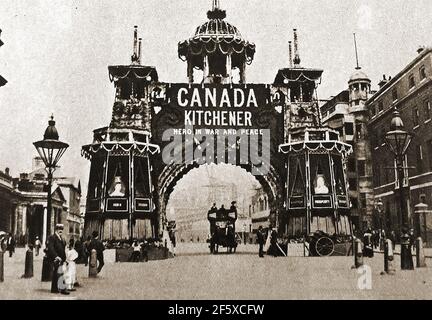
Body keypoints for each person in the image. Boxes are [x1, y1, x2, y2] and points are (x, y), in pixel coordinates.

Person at [47, 224, 69, 295]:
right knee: (60, 273)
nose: (60, 230)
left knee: (56, 273)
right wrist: (56, 256)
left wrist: (65, 259)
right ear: (56, 229)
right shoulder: (52, 237)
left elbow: (62, 249)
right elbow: (51, 248)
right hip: (56, 259)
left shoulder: (61, 238)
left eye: (62, 229)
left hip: (61, 259)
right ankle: (62, 289)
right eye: (59, 229)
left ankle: (54, 289)